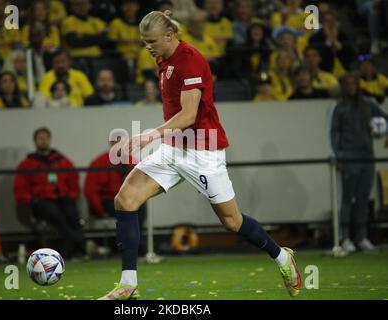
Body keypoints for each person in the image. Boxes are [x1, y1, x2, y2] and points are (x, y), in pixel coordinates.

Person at [98, 10, 301, 300]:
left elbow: (190, 114)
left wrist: (149, 135)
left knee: (232, 222)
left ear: (170, 36)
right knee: (125, 199)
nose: (147, 47)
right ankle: (128, 284)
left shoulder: (190, 60)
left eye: (151, 41)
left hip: (202, 150)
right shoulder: (162, 57)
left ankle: (282, 256)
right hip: (173, 149)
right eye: (144, 41)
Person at [329, 73, 388, 253]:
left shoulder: (368, 105)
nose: (351, 87)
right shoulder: (339, 108)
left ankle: (361, 237)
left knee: (363, 198)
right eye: (347, 84)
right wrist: (338, 156)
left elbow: (385, 117)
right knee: (347, 199)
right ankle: (345, 238)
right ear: (343, 87)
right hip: (348, 158)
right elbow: (334, 134)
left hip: (367, 158)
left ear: (358, 85)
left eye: (353, 84)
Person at [14, 127, 87, 259]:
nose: (43, 141)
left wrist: (71, 195)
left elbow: (74, 180)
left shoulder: (62, 161)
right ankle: (79, 245)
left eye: (46, 138)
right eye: (40, 138)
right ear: (35, 141)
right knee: (55, 214)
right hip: (41, 202)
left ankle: (74, 249)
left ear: (50, 140)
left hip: (63, 198)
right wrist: (32, 200)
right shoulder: (27, 164)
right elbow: (19, 189)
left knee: (72, 212)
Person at [84, 134, 147, 255]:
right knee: (128, 213)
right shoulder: (99, 162)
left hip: (131, 200)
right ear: (111, 144)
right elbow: (91, 190)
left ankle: (135, 244)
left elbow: (143, 185)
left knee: (140, 209)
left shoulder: (132, 161)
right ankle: (136, 247)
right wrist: (101, 211)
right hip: (109, 201)